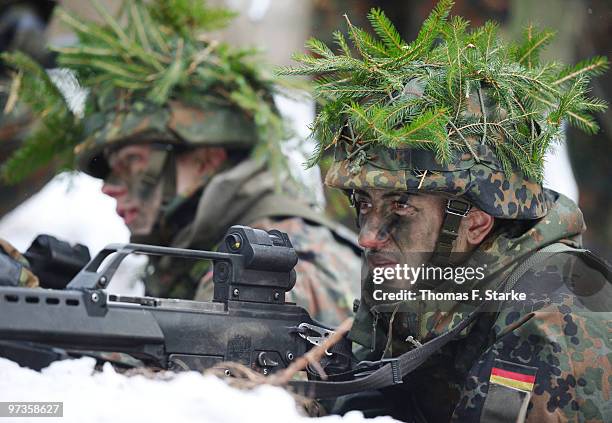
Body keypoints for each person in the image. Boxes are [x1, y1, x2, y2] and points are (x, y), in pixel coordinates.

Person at [285, 1, 611, 421]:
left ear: (476, 222)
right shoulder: (424, 277)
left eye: (401, 208)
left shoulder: (556, 317)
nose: (367, 236)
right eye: (365, 204)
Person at [2, 1, 360, 327]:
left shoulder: (278, 265)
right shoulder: (202, 253)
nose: (109, 186)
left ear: (207, 158)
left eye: (132, 161)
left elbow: (204, 390)